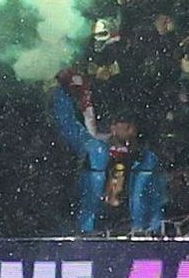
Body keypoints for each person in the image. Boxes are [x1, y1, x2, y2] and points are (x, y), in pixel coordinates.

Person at [52, 89, 165, 236]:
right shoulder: (95, 150)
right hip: (94, 228)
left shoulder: (147, 159)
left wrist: (153, 231)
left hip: (133, 230)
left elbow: (157, 200)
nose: (128, 126)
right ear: (112, 126)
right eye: (122, 121)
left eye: (131, 122)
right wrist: (63, 89)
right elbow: (68, 126)